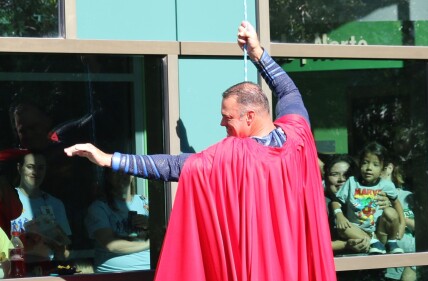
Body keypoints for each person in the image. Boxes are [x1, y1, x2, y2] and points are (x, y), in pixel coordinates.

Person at [64, 21, 336, 281]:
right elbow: (289, 93)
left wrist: (109, 159)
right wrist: (259, 54)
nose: (221, 123)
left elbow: (173, 166)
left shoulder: (235, 156)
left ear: (250, 116)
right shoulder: (298, 136)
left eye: (227, 117)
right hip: (298, 269)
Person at [332, 142, 405, 255]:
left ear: (383, 169)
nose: (369, 168)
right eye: (365, 163)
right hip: (357, 231)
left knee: (390, 212)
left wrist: (401, 224)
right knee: (342, 227)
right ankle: (373, 242)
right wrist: (339, 215)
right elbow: (336, 201)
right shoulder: (352, 182)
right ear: (360, 164)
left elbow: (396, 204)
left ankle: (391, 243)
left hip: (379, 232)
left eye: (375, 165)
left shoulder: (386, 186)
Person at [10, 152, 71, 276]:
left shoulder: (55, 204)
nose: (36, 172)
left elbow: (65, 252)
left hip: (47, 269)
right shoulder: (7, 199)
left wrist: (59, 248)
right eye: (30, 167)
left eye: (40, 168)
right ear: (19, 168)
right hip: (13, 267)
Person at [85, 169, 149, 273]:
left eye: (125, 170)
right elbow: (112, 245)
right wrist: (150, 243)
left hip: (150, 271)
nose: (121, 174)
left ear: (133, 175)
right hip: (115, 273)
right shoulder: (99, 207)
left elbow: (167, 233)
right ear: (108, 177)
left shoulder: (145, 203)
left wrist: (150, 224)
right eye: (115, 171)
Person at [381, 160, 416, 281]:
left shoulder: (408, 197)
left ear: (389, 168)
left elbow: (424, 227)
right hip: (389, 267)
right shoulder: (369, 197)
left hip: (414, 261)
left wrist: (400, 219)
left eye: (377, 165)